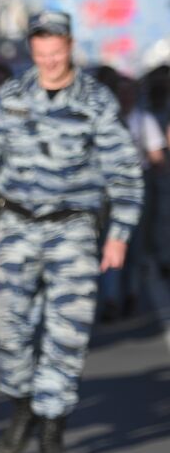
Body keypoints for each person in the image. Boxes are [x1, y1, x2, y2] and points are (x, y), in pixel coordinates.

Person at [0, 11, 143, 453]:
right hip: (16, 226)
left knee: (67, 334)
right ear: (31, 50)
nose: (50, 62)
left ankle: (53, 424)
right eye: (41, 54)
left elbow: (123, 168)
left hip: (73, 230)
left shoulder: (96, 100)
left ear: (70, 46)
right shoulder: (13, 94)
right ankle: (23, 402)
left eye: (57, 53)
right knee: (5, 329)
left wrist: (119, 234)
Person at [100, 74, 165, 320]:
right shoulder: (106, 120)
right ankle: (111, 298)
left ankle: (131, 293)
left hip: (138, 186)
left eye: (129, 92)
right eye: (121, 92)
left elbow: (157, 157)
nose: (125, 97)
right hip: (109, 188)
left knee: (136, 245)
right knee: (110, 242)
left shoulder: (143, 120)